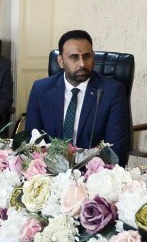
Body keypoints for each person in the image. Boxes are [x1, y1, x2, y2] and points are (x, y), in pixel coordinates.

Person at [25, 30, 131, 160]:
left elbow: (115, 149)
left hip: (94, 168)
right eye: (74, 57)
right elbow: (33, 141)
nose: (82, 64)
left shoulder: (112, 92)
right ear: (61, 61)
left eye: (87, 56)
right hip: (50, 166)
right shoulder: (41, 89)